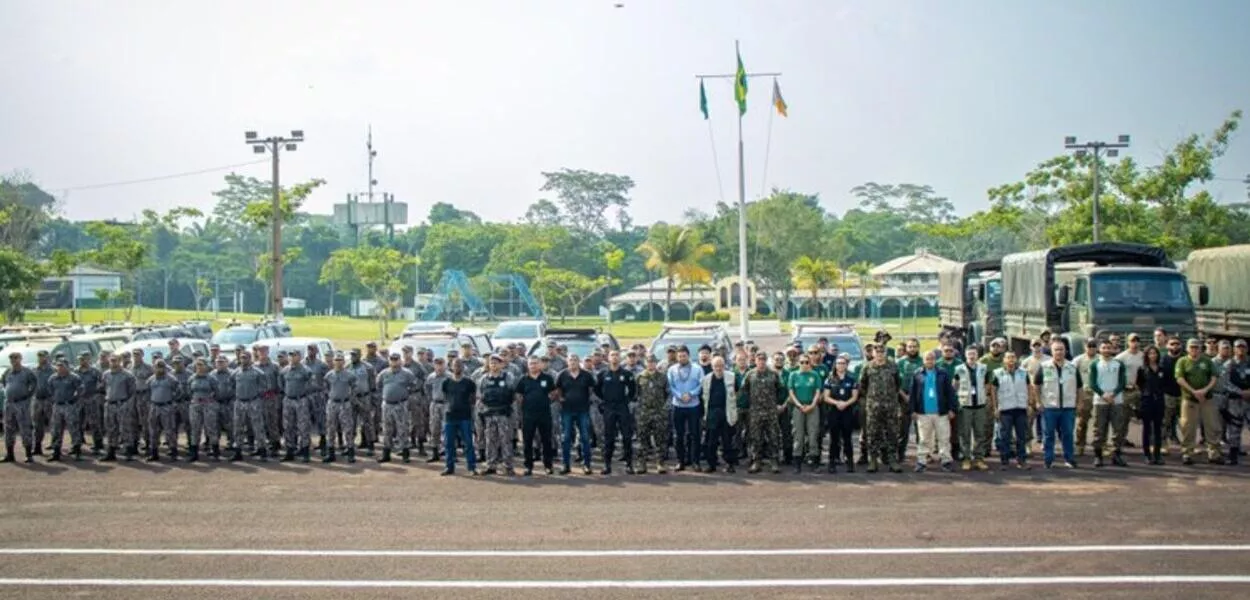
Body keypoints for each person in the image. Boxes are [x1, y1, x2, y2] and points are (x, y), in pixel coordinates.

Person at [1176, 338, 1222, 465]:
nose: (1194, 349)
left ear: (1200, 348)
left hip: (1207, 399)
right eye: (1191, 347)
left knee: (1212, 426)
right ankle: (1187, 453)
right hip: (1189, 398)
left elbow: (1214, 377)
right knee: (1188, 427)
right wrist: (1194, 391)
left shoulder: (1207, 361)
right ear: (1187, 349)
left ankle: (1214, 452)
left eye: (1196, 347)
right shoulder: (1182, 361)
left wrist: (1204, 390)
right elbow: (1180, 379)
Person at [859, 345, 904, 473]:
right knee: (872, 433)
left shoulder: (893, 366)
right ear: (873, 353)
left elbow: (897, 384)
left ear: (885, 353)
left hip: (890, 406)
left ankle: (892, 460)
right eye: (876, 351)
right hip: (873, 406)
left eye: (882, 351)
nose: (879, 354)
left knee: (892, 432)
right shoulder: (867, 367)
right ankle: (873, 459)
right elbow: (862, 385)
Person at [1035, 340, 1079, 469]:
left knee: (1068, 434)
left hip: (1068, 407)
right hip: (1050, 407)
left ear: (1065, 351)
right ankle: (1048, 460)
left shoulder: (1072, 367)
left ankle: (1069, 459)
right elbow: (1036, 385)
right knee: (1048, 435)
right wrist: (1038, 402)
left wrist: (1079, 403)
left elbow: (1079, 387)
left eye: (1061, 349)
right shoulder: (1044, 367)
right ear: (1052, 351)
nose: (1059, 352)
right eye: (1056, 350)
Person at [908, 352, 955, 472]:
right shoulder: (917, 374)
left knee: (944, 438)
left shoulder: (943, 373)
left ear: (935, 360)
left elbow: (950, 393)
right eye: (927, 359)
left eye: (932, 359)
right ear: (923, 360)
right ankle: (922, 461)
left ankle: (946, 461)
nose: (930, 361)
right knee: (924, 439)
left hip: (941, 412)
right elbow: (912, 394)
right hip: (923, 412)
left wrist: (951, 409)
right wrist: (912, 410)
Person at [1089, 340, 1129, 468]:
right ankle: (1098, 455)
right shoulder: (1095, 364)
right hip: (1100, 401)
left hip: (1116, 400)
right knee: (1099, 429)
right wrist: (1103, 394)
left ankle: (1116, 455)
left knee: (1118, 429)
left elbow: (1122, 382)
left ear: (1113, 349)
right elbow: (1092, 383)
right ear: (1099, 349)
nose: (1106, 350)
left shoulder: (1119, 364)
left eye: (1109, 348)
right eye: (1104, 347)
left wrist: (1113, 394)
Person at [596, 351, 636, 475]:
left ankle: (629, 464)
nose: (614, 357)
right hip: (609, 408)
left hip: (622, 407)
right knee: (609, 437)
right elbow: (597, 389)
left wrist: (627, 400)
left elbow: (632, 389)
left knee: (626, 436)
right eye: (612, 355)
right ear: (608, 358)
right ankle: (607, 465)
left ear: (620, 358)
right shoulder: (602, 374)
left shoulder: (627, 374)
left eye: (617, 355)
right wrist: (604, 400)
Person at [514, 357, 556, 476]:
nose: (533, 365)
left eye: (535, 363)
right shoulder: (523, 379)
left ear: (540, 364)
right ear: (528, 365)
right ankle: (528, 466)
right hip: (528, 415)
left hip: (544, 414)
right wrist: (523, 403)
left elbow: (553, 393)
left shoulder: (547, 378)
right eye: (531, 364)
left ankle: (548, 465)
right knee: (527, 441)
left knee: (546, 440)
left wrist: (548, 401)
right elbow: (518, 394)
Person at [990, 352, 1032, 469]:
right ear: (1004, 360)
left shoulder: (1023, 373)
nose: (1011, 360)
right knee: (1005, 436)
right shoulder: (998, 373)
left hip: (1020, 408)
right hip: (1005, 409)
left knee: (1021, 436)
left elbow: (1029, 388)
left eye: (1013, 357)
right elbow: (993, 390)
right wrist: (995, 407)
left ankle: (1021, 460)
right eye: (1008, 358)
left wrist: (1029, 404)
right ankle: (1005, 461)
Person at [555, 354, 594, 475]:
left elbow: (591, 389)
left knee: (585, 438)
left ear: (579, 362)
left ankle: (586, 465)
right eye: (570, 360)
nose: (573, 362)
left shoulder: (586, 375)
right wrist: (561, 398)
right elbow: (557, 388)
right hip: (567, 410)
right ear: (567, 362)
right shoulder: (562, 374)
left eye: (575, 360)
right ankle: (566, 465)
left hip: (583, 410)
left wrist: (587, 400)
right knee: (566, 438)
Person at [953, 346, 991, 471]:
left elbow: (987, 385)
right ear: (965, 355)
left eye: (974, 354)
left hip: (980, 405)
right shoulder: (959, 369)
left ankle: (979, 458)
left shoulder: (983, 368)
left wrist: (985, 397)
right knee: (965, 433)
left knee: (980, 433)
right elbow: (955, 386)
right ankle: (966, 458)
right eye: (969, 354)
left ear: (977, 355)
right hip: (965, 406)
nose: (971, 356)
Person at [440, 358, 478, 476]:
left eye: (459, 365)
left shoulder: (469, 382)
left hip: (464, 417)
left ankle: (472, 467)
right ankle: (449, 467)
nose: (457, 368)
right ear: (451, 367)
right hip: (450, 416)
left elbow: (473, 398)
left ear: (463, 367)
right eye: (455, 365)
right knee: (449, 444)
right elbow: (445, 396)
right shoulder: (446, 382)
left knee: (468, 443)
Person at [667, 347, 703, 471]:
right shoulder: (672, 370)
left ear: (689, 356)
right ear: (677, 357)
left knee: (695, 434)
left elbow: (701, 384)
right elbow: (670, 385)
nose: (682, 358)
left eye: (684, 356)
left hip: (693, 406)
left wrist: (691, 394)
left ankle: (695, 461)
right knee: (679, 435)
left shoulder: (697, 369)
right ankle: (680, 461)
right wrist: (679, 395)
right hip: (678, 405)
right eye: (680, 356)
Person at [478, 355, 515, 475]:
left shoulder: (507, 377)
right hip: (489, 413)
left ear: (501, 364)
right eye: (491, 363)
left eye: (496, 363)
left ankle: (508, 466)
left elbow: (512, 394)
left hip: (503, 413)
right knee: (490, 440)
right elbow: (480, 396)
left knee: (505, 440)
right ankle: (491, 465)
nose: (494, 365)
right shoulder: (484, 378)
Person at [376, 353, 416, 464]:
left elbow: (414, 386)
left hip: (400, 405)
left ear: (400, 361)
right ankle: (386, 454)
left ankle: (405, 453)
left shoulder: (407, 374)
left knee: (402, 429)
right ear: (389, 361)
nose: (394, 362)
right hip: (387, 404)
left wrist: (405, 395)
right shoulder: (384, 374)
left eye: (396, 360)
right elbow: (378, 386)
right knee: (387, 429)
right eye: (392, 360)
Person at [229, 351, 269, 463]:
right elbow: (231, 384)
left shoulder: (258, 372)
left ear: (250, 359)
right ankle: (238, 451)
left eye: (245, 358)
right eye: (242, 358)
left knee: (258, 427)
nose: (243, 360)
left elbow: (263, 387)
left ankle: (262, 451)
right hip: (239, 402)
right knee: (238, 427)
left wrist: (256, 396)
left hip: (253, 402)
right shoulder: (236, 372)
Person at [700, 356, 737, 474]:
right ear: (712, 367)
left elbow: (738, 392)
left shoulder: (731, 377)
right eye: (716, 366)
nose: (718, 368)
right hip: (712, 413)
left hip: (726, 412)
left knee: (727, 441)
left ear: (724, 365)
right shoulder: (706, 379)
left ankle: (729, 464)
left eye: (721, 365)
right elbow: (703, 397)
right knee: (711, 441)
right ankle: (712, 464)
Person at [634, 354, 670, 474]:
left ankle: (660, 463)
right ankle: (641, 463)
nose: (651, 364)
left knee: (660, 439)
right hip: (644, 412)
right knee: (642, 439)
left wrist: (665, 408)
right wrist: (638, 410)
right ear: (645, 363)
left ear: (656, 363)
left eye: (653, 362)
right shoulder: (639, 377)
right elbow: (635, 395)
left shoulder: (663, 377)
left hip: (659, 412)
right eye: (649, 362)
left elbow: (668, 394)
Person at [786, 353, 822, 473]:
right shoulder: (793, 375)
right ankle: (797, 463)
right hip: (798, 407)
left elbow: (818, 391)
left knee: (813, 435)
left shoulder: (815, 375)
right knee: (798, 435)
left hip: (812, 407)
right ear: (798, 363)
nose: (804, 364)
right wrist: (799, 405)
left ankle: (814, 462)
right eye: (802, 362)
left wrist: (812, 405)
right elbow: (791, 392)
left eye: (807, 362)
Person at [822, 355, 858, 474]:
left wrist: (845, 403)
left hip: (847, 411)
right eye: (838, 363)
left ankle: (850, 462)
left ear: (846, 365)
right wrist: (837, 402)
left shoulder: (851, 379)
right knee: (834, 439)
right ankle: (832, 463)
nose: (841, 365)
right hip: (834, 412)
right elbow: (825, 397)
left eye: (843, 363)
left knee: (847, 438)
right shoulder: (830, 379)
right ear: (835, 365)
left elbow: (854, 396)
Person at [322, 354, 358, 464]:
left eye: (340, 360)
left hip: (344, 404)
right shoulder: (329, 375)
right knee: (330, 429)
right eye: (336, 360)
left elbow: (355, 387)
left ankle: (350, 453)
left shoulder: (349, 375)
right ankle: (331, 453)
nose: (338, 362)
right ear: (333, 361)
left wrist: (349, 398)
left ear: (343, 362)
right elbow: (326, 388)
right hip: (332, 404)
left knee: (348, 429)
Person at [46, 360, 84, 462]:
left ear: (67, 366)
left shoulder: (74, 377)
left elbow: (80, 389)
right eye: (58, 366)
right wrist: (53, 399)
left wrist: (74, 400)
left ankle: (77, 451)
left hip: (69, 406)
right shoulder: (53, 378)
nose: (60, 368)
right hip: (57, 406)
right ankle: (56, 452)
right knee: (56, 429)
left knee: (73, 428)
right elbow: (49, 390)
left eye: (62, 366)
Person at [895, 338, 924, 464]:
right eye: (910, 346)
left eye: (914, 346)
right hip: (904, 398)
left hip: (920, 399)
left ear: (918, 348)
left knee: (921, 429)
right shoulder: (900, 362)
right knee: (903, 429)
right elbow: (895, 382)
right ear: (906, 348)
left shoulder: (923, 361)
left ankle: (922, 455)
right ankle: (900, 454)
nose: (912, 349)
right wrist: (904, 395)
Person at [145, 360, 180, 462]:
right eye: (157, 367)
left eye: (161, 367)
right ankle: (154, 453)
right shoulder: (151, 379)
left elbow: (179, 392)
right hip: (154, 406)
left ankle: (173, 452)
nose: (159, 369)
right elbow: (147, 392)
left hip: (167, 407)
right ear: (154, 368)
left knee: (170, 430)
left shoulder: (171, 379)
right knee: (153, 431)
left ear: (165, 368)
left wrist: (172, 402)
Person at [185, 358, 219, 462]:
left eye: (201, 365)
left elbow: (217, 391)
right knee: (195, 429)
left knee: (211, 428)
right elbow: (189, 392)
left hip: (208, 404)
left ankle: (215, 452)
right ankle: (194, 453)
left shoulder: (211, 378)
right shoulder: (192, 378)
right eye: (197, 365)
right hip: (195, 405)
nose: (199, 367)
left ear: (206, 366)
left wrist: (210, 400)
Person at [1138, 345, 1167, 465]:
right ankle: (1147, 454)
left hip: (1159, 401)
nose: (1153, 356)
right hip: (1147, 401)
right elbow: (1139, 384)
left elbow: (1165, 384)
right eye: (1150, 353)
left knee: (1158, 428)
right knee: (1147, 428)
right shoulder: (1142, 369)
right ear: (1146, 355)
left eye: (1155, 353)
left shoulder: (1162, 369)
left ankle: (1157, 454)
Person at [1072, 339, 1099, 457]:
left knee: (1100, 422)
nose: (1091, 348)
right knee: (1082, 421)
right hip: (1085, 393)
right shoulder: (1078, 360)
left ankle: (1099, 446)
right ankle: (1080, 445)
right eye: (1089, 346)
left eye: (1094, 346)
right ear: (1084, 346)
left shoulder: (1100, 359)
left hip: (1099, 393)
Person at [1225, 340, 1249, 465]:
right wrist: (1241, 392)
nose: (1241, 349)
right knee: (1234, 428)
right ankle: (1233, 456)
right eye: (1238, 347)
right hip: (1235, 401)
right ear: (1233, 349)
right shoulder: (1229, 364)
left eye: (1243, 347)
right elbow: (1225, 382)